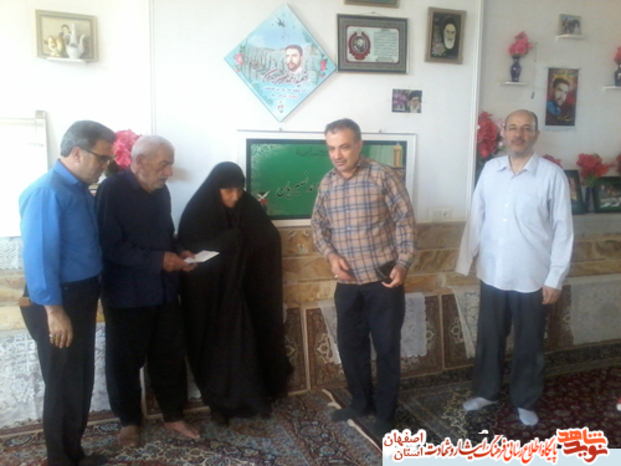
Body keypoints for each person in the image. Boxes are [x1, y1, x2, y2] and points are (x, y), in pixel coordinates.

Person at [456, 109, 573, 426]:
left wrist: (555, 278)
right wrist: (466, 260)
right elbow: (477, 216)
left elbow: (563, 229)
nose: (518, 134)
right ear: (504, 133)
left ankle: (525, 400)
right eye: (513, 128)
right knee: (490, 337)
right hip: (493, 272)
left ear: (536, 134)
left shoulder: (552, 176)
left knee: (529, 343)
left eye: (526, 128)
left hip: (533, 276)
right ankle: (486, 391)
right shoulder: (490, 170)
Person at [311, 119, 417, 437]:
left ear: (359, 145)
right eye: (331, 148)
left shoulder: (383, 176)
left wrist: (403, 263)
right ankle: (360, 402)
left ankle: (385, 413)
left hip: (383, 282)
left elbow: (405, 222)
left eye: (344, 147)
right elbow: (318, 227)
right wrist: (331, 256)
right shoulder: (327, 183)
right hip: (347, 285)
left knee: (386, 348)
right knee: (350, 346)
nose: (337, 155)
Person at [19, 120, 116, 466]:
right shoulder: (48, 191)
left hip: (79, 296)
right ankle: (60, 460)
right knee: (62, 384)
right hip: (57, 301)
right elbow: (39, 256)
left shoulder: (77, 189)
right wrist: (54, 311)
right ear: (77, 152)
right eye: (102, 158)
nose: (105, 165)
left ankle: (73, 454)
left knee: (79, 380)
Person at [95, 135, 199, 447]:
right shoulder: (111, 189)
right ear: (139, 161)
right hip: (126, 295)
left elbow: (166, 235)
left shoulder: (161, 191)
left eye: (170, 165)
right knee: (124, 363)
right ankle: (129, 421)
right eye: (164, 164)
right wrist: (158, 260)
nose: (169, 172)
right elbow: (110, 245)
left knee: (169, 355)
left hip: (163, 291)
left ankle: (173, 415)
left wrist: (179, 252)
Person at [177, 162, 292, 426]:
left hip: (247, 295)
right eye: (228, 191)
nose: (235, 197)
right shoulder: (198, 212)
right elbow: (192, 254)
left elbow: (268, 239)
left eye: (239, 190)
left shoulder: (248, 207)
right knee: (217, 353)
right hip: (213, 300)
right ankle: (219, 404)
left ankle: (257, 399)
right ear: (215, 189)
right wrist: (229, 241)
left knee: (250, 347)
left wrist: (239, 242)